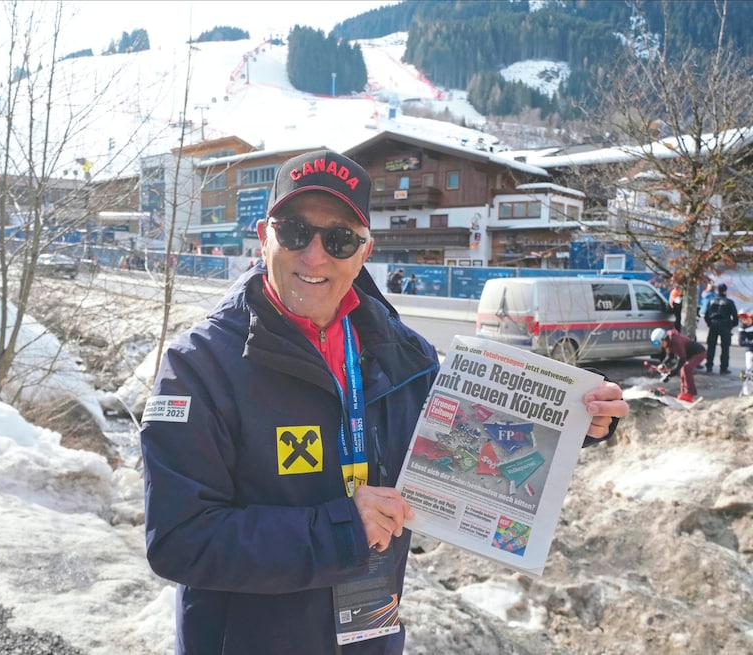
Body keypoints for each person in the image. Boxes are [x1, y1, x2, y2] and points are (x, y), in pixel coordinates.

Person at [140, 149, 629, 655]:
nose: (314, 256)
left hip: (369, 637)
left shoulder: (404, 356)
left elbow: (466, 447)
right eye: (294, 232)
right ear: (265, 235)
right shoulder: (199, 367)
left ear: (363, 251)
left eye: (339, 239)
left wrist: (575, 418)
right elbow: (180, 539)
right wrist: (341, 530)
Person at [650, 327, 706, 402]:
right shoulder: (669, 341)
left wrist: (671, 373)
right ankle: (684, 392)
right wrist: (663, 364)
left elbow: (682, 359)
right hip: (689, 355)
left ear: (664, 338)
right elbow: (670, 355)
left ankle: (689, 394)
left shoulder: (676, 341)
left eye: (662, 343)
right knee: (683, 370)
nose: (662, 346)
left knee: (687, 368)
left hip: (699, 353)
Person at [704, 282, 738, 374]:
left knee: (711, 347)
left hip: (713, 324)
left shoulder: (711, 300)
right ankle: (723, 368)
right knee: (725, 348)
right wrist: (730, 326)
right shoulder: (729, 302)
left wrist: (709, 324)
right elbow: (735, 317)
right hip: (725, 325)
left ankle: (709, 366)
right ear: (725, 291)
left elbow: (706, 315)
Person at [738, 311, 753, 380]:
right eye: (742, 319)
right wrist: (751, 342)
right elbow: (741, 342)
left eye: (745, 318)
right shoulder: (742, 328)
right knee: (749, 366)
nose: (744, 320)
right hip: (750, 349)